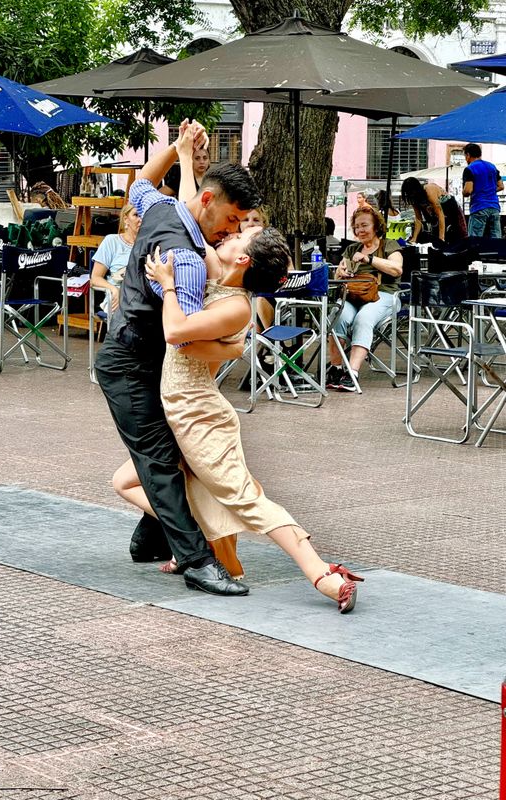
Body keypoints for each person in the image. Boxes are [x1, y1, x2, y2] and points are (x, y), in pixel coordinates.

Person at [112, 129, 364, 613]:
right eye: (233, 224)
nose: (229, 231)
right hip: (181, 409)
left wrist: (168, 288)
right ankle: (201, 543)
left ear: (243, 258)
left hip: (199, 416)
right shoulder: (213, 269)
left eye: (239, 233)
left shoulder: (234, 304)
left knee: (248, 499)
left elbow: (176, 332)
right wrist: (183, 155)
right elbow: (192, 209)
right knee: (126, 481)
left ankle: (322, 575)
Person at [94, 119, 260, 597]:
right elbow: (182, 339)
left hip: (134, 360)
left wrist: (176, 148)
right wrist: (232, 346)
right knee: (162, 461)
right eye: (232, 219)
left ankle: (150, 539)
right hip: (130, 364)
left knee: (167, 454)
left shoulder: (165, 208)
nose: (233, 230)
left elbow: (137, 185)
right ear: (208, 200)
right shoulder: (185, 258)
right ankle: (197, 562)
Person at [326, 206, 403, 393]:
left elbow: (397, 269)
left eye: (364, 225)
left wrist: (369, 260)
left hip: (384, 295)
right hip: (354, 294)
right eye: (357, 226)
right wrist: (340, 272)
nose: (360, 230)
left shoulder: (389, 245)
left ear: (376, 226)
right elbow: (339, 275)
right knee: (338, 314)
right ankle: (336, 369)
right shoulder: (352, 248)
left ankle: (352, 373)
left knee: (363, 318)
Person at [90, 204, 140, 312]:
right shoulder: (112, 241)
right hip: (118, 297)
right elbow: (95, 279)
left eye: (144, 215)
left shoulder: (149, 244)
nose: (141, 219)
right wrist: (113, 289)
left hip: (142, 297)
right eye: (136, 215)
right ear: (126, 219)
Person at [400, 177, 466, 244]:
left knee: (457, 234)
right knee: (435, 236)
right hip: (436, 214)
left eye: (411, 193)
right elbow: (418, 219)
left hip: (450, 207)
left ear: (416, 190)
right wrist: (414, 238)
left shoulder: (429, 190)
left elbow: (440, 214)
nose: (411, 195)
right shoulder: (413, 199)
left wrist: (441, 239)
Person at [462, 143, 504, 238]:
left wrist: (464, 192)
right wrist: (489, 191)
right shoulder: (492, 167)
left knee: (475, 241)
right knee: (495, 241)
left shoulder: (470, 169)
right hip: (494, 208)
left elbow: (468, 190)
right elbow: (501, 186)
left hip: (479, 207)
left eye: (465, 156)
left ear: (468, 155)